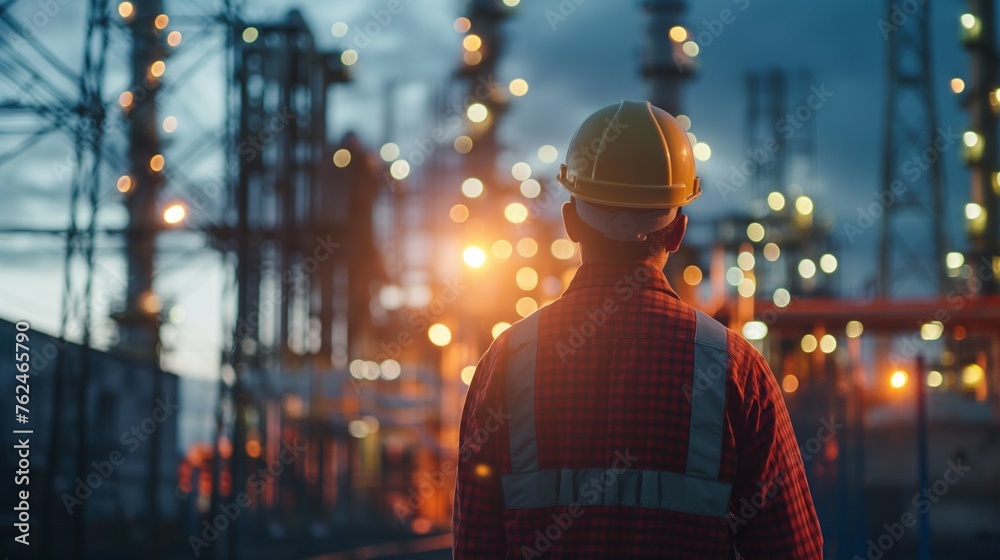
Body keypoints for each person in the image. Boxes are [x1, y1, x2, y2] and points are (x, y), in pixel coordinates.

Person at [452, 100, 823, 559]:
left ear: (571, 224)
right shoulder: (736, 369)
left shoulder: (505, 364)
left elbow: (474, 547)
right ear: (678, 231)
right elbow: (793, 550)